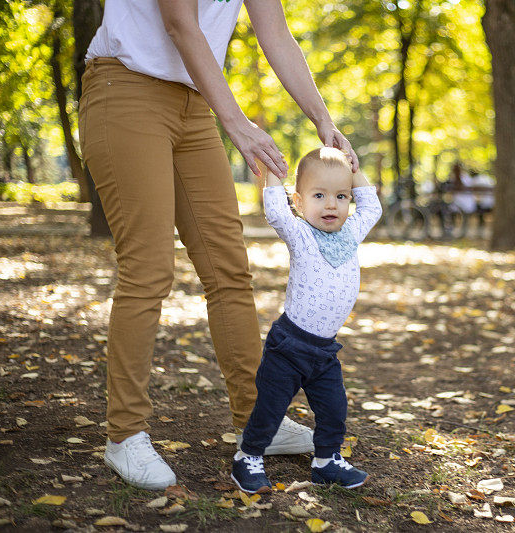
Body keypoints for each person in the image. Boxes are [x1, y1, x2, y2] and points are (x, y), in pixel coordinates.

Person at [79, 0, 359, 490]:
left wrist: (323, 120)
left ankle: (256, 421)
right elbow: (179, 24)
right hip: (124, 87)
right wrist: (238, 123)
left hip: (194, 103)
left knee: (229, 270)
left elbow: (277, 35)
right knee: (148, 269)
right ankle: (125, 434)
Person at [231, 147, 382, 493]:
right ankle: (248, 457)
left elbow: (371, 206)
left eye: (341, 196)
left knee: (334, 409)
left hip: (324, 351)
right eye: (319, 196)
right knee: (270, 407)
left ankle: (326, 461)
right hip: (289, 345)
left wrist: (352, 165)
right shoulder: (301, 234)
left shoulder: (351, 233)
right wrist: (272, 170)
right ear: (299, 202)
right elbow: (274, 211)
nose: (331, 205)